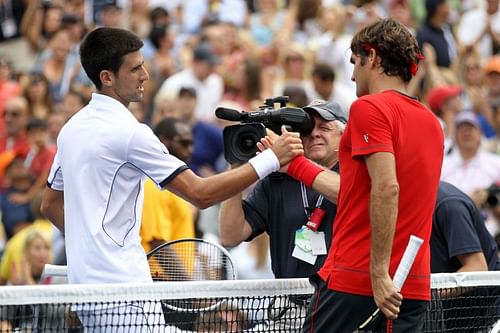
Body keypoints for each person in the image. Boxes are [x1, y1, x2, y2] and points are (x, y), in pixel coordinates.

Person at [40, 27, 302, 332]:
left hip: (85, 290)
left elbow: (50, 205)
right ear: (107, 77)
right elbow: (200, 194)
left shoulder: (71, 129)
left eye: (143, 65)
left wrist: (92, 248)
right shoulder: (131, 133)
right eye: (135, 68)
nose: (145, 75)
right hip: (126, 292)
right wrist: (271, 159)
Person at [300, 18, 444, 332]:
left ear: (373, 58)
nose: (352, 75)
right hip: (412, 285)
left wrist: (378, 273)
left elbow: (387, 187)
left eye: (355, 63)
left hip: (361, 282)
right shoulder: (433, 123)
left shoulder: (368, 108)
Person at [219, 99, 346, 332]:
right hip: (288, 307)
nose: (315, 134)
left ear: (343, 136)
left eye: (324, 128)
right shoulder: (278, 180)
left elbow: (349, 194)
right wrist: (238, 165)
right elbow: (230, 234)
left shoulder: (354, 171)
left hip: (338, 306)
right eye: (308, 130)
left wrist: (297, 165)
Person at [429, 181, 500, 332]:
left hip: (488, 314)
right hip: (450, 315)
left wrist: (420, 293)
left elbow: (477, 268)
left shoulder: (449, 205)